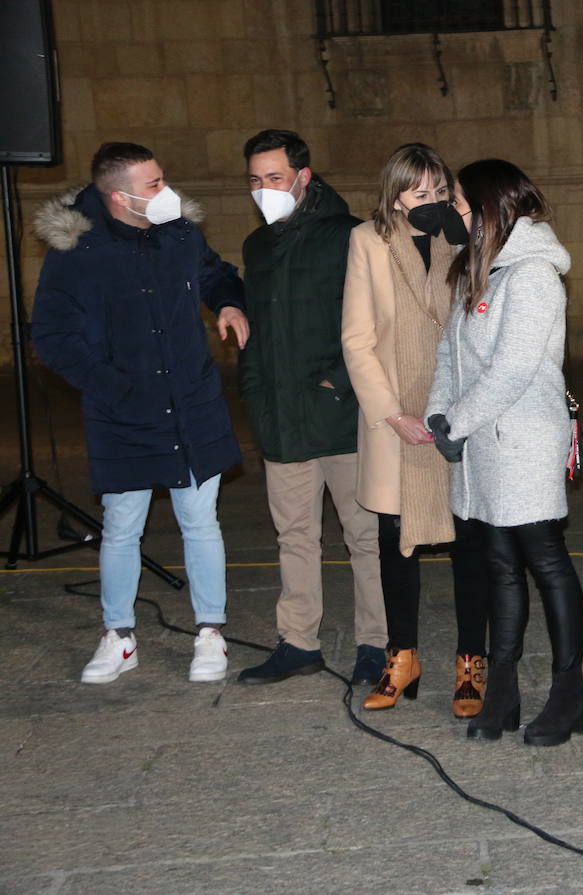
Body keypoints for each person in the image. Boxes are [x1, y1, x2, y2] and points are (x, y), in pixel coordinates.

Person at [31, 141, 248, 684]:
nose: (166, 190)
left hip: (191, 402)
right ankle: (119, 636)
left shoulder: (180, 232)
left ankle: (211, 633)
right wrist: (114, 389)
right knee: (122, 527)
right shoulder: (76, 252)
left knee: (201, 521)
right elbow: (52, 337)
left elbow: (217, 272)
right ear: (119, 197)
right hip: (123, 412)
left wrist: (228, 301)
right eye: (153, 184)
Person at [424, 158, 583, 746]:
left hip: (521, 439)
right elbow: (451, 354)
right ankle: (505, 688)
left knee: (544, 561)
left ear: (492, 208)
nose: (456, 215)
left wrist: (457, 423)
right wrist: (438, 415)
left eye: (464, 206)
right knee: (498, 565)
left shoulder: (534, 273)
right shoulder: (479, 271)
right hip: (480, 442)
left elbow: (514, 368)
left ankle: (570, 691)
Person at [341, 143, 490, 717]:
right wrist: (390, 413)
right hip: (395, 417)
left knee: (467, 543)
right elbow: (355, 338)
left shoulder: (464, 237)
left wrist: (464, 239)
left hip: (457, 413)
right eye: (416, 192)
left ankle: (470, 662)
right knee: (395, 545)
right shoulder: (366, 241)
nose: (427, 201)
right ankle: (401, 658)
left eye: (437, 190)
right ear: (394, 194)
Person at [234, 129, 387, 688]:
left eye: (273, 178)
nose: (263, 189)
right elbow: (257, 332)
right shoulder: (259, 246)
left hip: (341, 415)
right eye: (254, 180)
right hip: (281, 417)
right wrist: (255, 392)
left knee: (364, 536)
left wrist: (336, 387)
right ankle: (298, 642)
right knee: (294, 535)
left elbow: (375, 325)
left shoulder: (351, 236)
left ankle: (376, 642)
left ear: (303, 176)